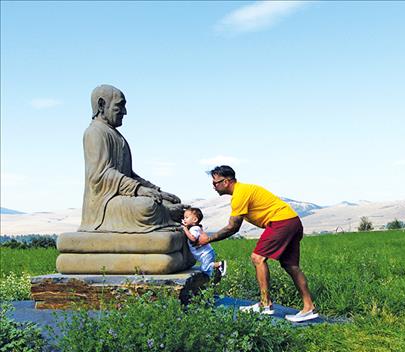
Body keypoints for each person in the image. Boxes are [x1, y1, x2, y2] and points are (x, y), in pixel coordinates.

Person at [197, 165, 318, 322]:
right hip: (292, 221)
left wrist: (208, 239)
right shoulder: (244, 190)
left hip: (281, 222)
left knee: (258, 258)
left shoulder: (240, 194)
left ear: (226, 181)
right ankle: (309, 308)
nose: (213, 187)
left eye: (215, 183)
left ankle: (265, 304)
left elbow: (233, 227)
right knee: (291, 266)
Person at [79, 84, 185, 233]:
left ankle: (166, 214)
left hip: (121, 196)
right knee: (147, 206)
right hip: (104, 203)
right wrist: (138, 190)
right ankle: (166, 216)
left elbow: (129, 174)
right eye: (119, 106)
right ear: (102, 105)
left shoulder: (115, 135)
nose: (125, 112)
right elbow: (100, 175)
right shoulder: (95, 132)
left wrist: (156, 190)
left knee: (170, 201)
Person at [182, 207, 226, 279]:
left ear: (195, 220)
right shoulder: (195, 228)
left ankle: (220, 264)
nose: (184, 219)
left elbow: (193, 238)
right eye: (184, 217)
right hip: (206, 253)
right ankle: (217, 274)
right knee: (205, 269)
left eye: (186, 217)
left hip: (205, 254)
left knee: (205, 268)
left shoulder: (194, 229)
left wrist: (185, 229)